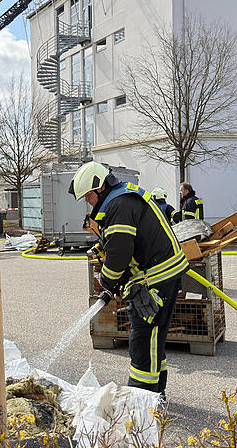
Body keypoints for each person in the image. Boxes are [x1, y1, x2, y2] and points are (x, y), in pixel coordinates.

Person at [68, 162, 188, 399]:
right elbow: (124, 244)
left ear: (100, 188)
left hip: (156, 279)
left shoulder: (119, 205)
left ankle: (140, 399)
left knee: (143, 341)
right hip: (160, 276)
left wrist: (107, 280)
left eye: (88, 196)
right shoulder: (122, 199)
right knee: (154, 339)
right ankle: (156, 396)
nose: (87, 202)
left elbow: (119, 253)